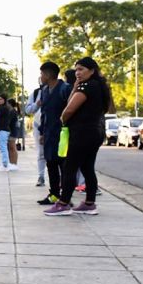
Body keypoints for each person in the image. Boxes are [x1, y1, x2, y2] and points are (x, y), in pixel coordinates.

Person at [44, 57, 112, 216]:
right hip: (95, 132)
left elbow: (68, 109)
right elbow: (71, 101)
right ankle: (89, 203)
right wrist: (75, 87)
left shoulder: (87, 86)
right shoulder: (98, 86)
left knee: (70, 167)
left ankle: (63, 203)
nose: (78, 73)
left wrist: (63, 119)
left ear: (92, 70)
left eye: (81, 69)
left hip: (82, 133)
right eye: (76, 70)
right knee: (87, 167)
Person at [36, 61, 72, 205]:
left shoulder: (65, 89)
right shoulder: (44, 91)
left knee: (64, 165)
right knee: (50, 163)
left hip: (63, 134)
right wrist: (42, 133)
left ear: (48, 74)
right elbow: (44, 113)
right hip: (49, 134)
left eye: (42, 73)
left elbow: (72, 110)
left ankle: (66, 197)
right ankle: (54, 194)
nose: (41, 76)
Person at [25, 80, 45, 186]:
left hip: (54, 126)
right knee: (41, 153)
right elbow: (28, 110)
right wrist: (36, 105)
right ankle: (41, 177)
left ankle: (61, 180)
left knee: (56, 155)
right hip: (38, 125)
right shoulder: (36, 93)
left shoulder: (59, 90)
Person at [0, 94, 17, 171]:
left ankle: (5, 164)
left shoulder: (3, 108)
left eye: (1, 99)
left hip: (3, 129)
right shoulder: (2, 108)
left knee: (3, 147)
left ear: (4, 100)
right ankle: (5, 163)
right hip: (3, 130)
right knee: (2, 146)